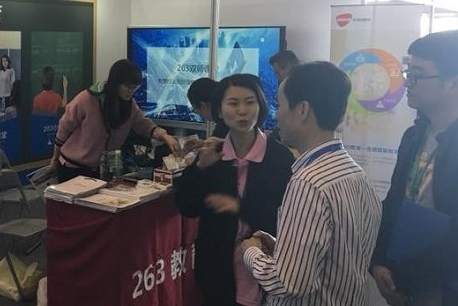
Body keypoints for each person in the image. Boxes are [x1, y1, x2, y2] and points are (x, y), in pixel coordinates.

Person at [242, 61, 381, 305]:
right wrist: (282, 248)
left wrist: (250, 252)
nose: (277, 114)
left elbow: (289, 283)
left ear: (302, 110)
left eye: (280, 104)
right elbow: (338, 255)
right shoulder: (354, 171)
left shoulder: (309, 182)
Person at [175, 74, 295, 306]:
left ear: (260, 107)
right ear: (219, 111)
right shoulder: (213, 153)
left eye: (250, 102)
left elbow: (286, 217)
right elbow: (187, 207)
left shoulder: (279, 157)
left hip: (264, 270)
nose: (242, 111)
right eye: (233, 103)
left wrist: (239, 207)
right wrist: (199, 169)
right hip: (217, 270)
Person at [371, 30, 458, 306]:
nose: (408, 82)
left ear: (452, 82)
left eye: (417, 75)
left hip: (444, 285)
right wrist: (378, 260)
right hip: (406, 279)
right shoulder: (414, 135)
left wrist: (406, 278)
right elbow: (394, 201)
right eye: (408, 72)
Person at [49, 59, 180, 182]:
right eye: (128, 87)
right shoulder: (88, 98)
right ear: (116, 82)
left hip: (102, 169)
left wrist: (165, 136)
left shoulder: (130, 105)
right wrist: (55, 157)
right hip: (73, 168)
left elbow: (144, 125)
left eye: (134, 88)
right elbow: (64, 127)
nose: (131, 92)